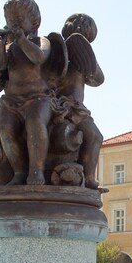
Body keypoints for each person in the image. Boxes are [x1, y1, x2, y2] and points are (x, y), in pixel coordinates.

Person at [0, 0, 54, 185]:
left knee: (35, 123)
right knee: (6, 130)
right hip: (11, 100)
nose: (13, 25)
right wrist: (0, 46)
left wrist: (23, 40)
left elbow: (39, 57)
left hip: (38, 98)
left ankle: (37, 170)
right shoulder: (9, 48)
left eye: (18, 21)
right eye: (10, 21)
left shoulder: (41, 41)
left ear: (35, 22)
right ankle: (18, 172)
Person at [55, 13, 105, 189]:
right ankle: (89, 178)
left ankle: (88, 177)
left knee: (95, 136)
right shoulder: (57, 49)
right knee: (95, 137)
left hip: (76, 108)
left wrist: (86, 54)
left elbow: (98, 79)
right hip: (65, 105)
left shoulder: (79, 55)